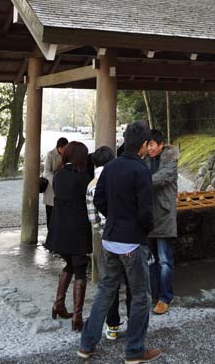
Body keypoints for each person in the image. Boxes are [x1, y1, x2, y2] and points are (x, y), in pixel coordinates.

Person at [77, 121, 162, 363]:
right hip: (132, 242)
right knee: (140, 297)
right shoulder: (141, 171)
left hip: (110, 239)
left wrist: (113, 217)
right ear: (144, 145)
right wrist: (143, 229)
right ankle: (135, 350)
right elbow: (146, 211)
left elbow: (99, 200)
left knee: (105, 292)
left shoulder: (111, 167)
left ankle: (86, 344)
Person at [44, 140, 92, 330]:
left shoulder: (59, 174)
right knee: (80, 268)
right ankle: (77, 316)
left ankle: (58, 304)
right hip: (77, 229)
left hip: (59, 228)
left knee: (69, 264)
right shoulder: (83, 176)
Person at [87, 146, 132, 342]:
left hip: (108, 239)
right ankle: (134, 323)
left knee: (110, 283)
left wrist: (103, 233)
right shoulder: (121, 179)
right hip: (128, 238)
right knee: (133, 283)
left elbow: (93, 218)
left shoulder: (91, 185)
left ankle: (112, 326)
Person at [146, 128, 179, 315]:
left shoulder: (170, 161)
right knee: (151, 260)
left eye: (152, 145)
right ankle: (154, 295)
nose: (149, 148)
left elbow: (162, 178)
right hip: (148, 216)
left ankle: (165, 297)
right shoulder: (143, 160)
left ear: (160, 145)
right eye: (147, 145)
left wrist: (139, 179)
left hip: (164, 215)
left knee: (165, 260)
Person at [43, 137, 69, 232]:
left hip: (63, 188)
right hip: (51, 188)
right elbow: (46, 172)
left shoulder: (67, 155)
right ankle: (50, 235)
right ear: (59, 147)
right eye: (64, 148)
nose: (66, 150)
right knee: (50, 213)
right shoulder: (50, 154)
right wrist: (56, 181)